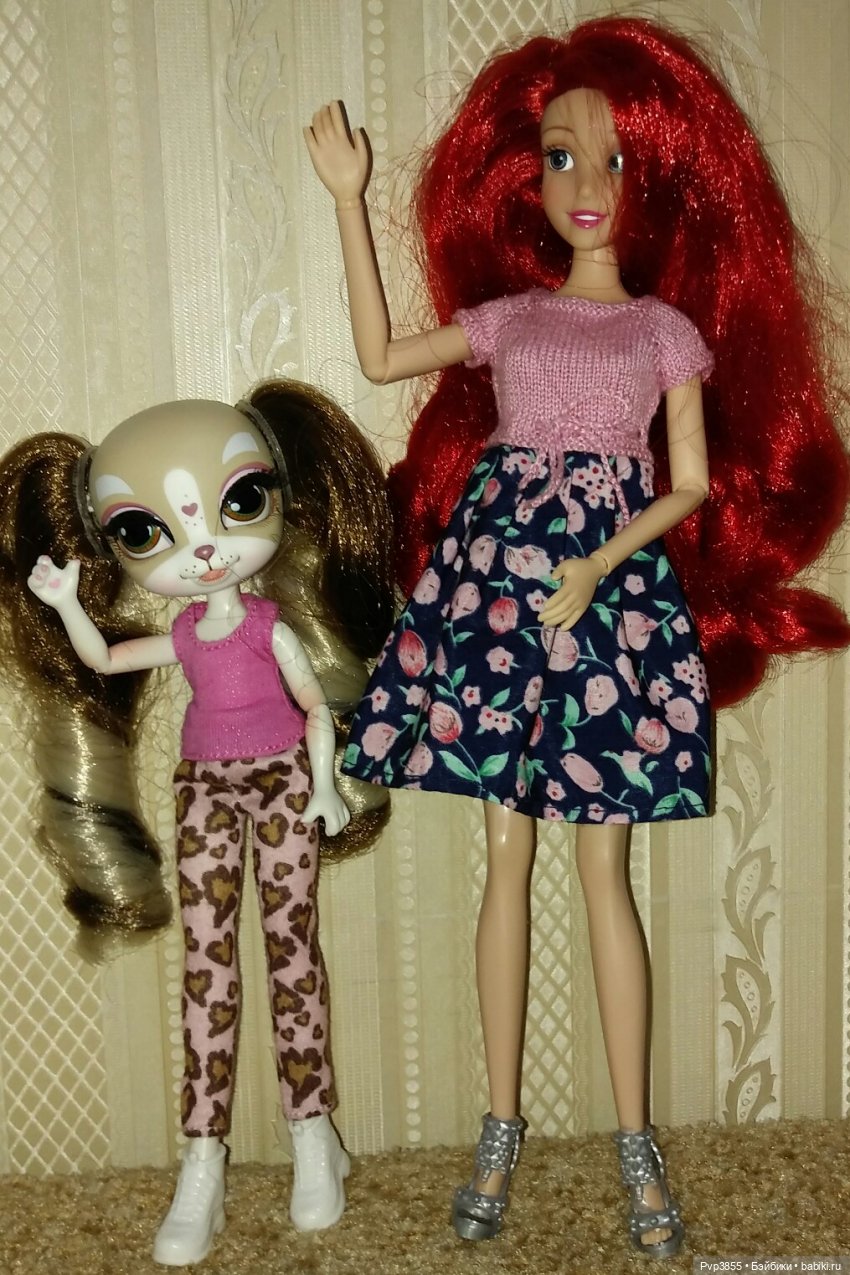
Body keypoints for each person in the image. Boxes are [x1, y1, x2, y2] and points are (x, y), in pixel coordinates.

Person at [305, 16, 849, 1258]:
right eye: (561, 155)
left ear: (658, 179)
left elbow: (688, 485)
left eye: (613, 160)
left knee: (604, 868)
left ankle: (634, 1141)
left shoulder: (664, 332)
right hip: (499, 586)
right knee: (506, 855)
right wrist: (348, 201)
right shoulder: (510, 317)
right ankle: (497, 1128)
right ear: (527, 174)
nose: (586, 183)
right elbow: (381, 357)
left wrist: (601, 562)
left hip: (602, 601)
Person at [0, 380, 394, 1266]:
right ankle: (202, 1158)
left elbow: (315, 706)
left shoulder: (269, 626)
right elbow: (106, 657)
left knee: (293, 952)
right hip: (205, 791)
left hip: (284, 783)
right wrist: (65, 601)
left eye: (238, 502)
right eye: (147, 532)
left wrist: (326, 785)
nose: (205, 548)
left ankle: (311, 1132)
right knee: (206, 968)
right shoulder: (183, 636)